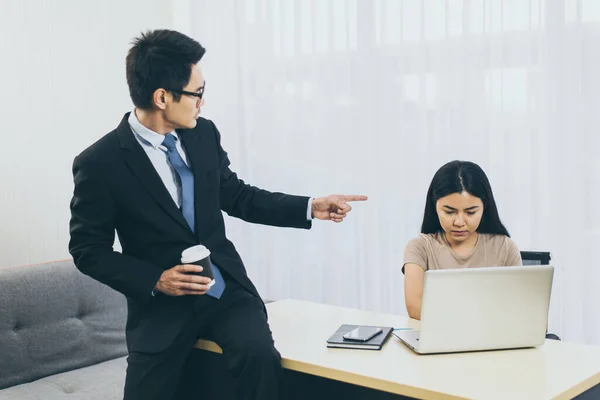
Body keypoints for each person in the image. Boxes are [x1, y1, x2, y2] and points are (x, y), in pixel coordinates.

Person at [68, 29, 367, 400]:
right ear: (162, 97)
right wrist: (157, 279)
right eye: (197, 93)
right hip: (160, 309)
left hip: (225, 291)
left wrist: (308, 206)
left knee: (260, 359)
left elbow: (237, 196)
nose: (201, 103)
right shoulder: (100, 163)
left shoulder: (202, 134)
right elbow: (87, 250)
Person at [402, 160, 521, 320]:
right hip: (439, 338)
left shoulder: (504, 247)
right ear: (435, 206)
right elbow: (415, 309)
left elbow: (518, 307)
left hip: (493, 339)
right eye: (449, 212)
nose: (459, 222)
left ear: (484, 207)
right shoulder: (420, 247)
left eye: (470, 212)